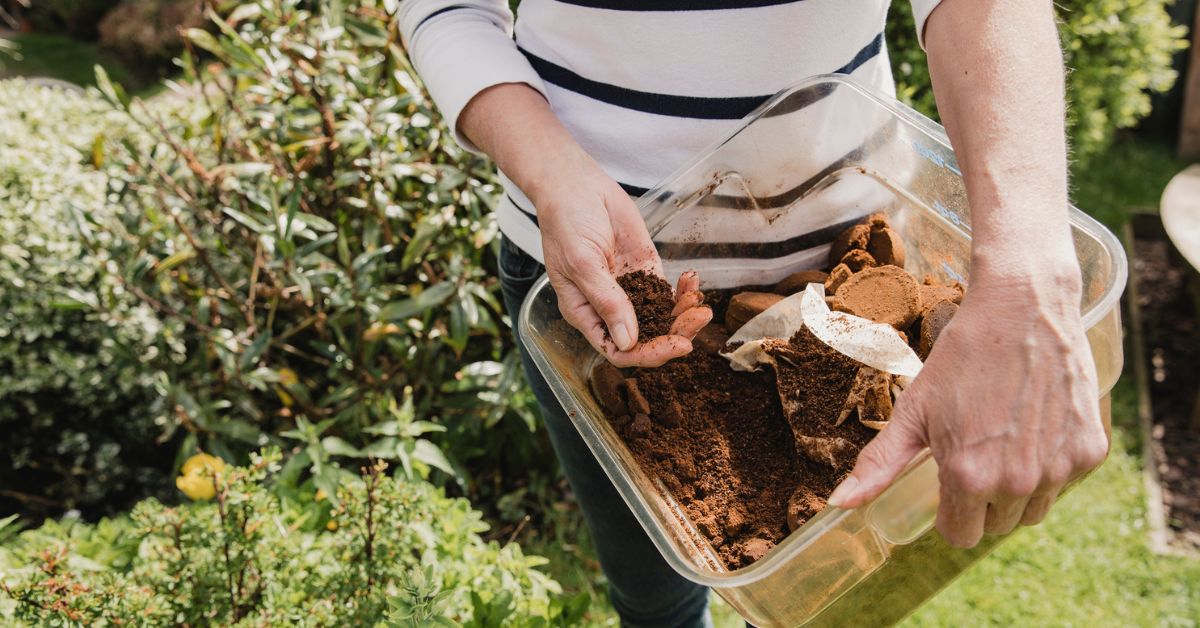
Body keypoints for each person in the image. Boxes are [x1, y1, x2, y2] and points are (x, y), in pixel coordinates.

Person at [399, 0, 1110, 625]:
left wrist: (1027, 280)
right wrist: (554, 174)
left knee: (827, 599)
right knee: (656, 597)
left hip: (851, 275)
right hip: (600, 292)